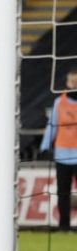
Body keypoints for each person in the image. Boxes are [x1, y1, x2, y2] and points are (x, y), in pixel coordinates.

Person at [40, 67, 77, 232]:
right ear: (68, 82)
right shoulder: (59, 102)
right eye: (72, 81)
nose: (74, 84)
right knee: (63, 193)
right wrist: (45, 146)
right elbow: (52, 126)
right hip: (62, 155)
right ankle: (64, 227)